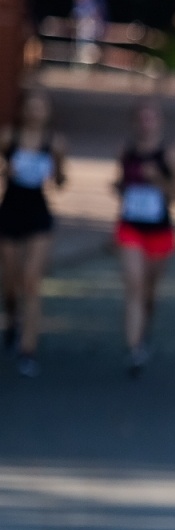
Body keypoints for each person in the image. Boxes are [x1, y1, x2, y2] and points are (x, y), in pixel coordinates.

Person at [114, 99, 175, 376]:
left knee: (149, 292)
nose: (146, 124)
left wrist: (158, 180)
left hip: (159, 229)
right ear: (135, 122)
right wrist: (120, 188)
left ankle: (144, 329)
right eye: (142, 118)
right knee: (134, 286)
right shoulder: (126, 151)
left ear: (160, 122)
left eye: (151, 118)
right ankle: (134, 349)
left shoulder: (170, 152)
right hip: (130, 227)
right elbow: (121, 185)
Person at [0, 90, 67, 376]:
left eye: (41, 108)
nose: (36, 113)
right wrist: (7, 171)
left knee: (31, 281)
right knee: (11, 280)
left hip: (38, 213)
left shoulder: (54, 142)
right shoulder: (9, 138)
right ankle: (11, 315)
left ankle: (28, 350)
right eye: (31, 107)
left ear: (48, 112)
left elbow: (61, 181)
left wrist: (57, 169)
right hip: (10, 211)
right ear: (23, 110)